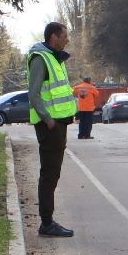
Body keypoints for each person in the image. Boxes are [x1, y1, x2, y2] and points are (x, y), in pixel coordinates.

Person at [28, 21, 78, 237]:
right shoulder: (41, 59)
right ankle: (47, 223)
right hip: (50, 126)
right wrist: (48, 120)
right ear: (53, 37)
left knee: (52, 173)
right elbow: (34, 94)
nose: (67, 39)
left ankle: (47, 221)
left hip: (58, 124)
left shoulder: (55, 58)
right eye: (64, 36)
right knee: (49, 174)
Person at [72, 76, 100, 140]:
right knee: (88, 123)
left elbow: (72, 91)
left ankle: (80, 135)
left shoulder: (78, 87)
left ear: (83, 81)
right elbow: (97, 95)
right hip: (89, 108)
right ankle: (87, 135)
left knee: (82, 122)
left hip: (81, 108)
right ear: (89, 81)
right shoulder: (92, 88)